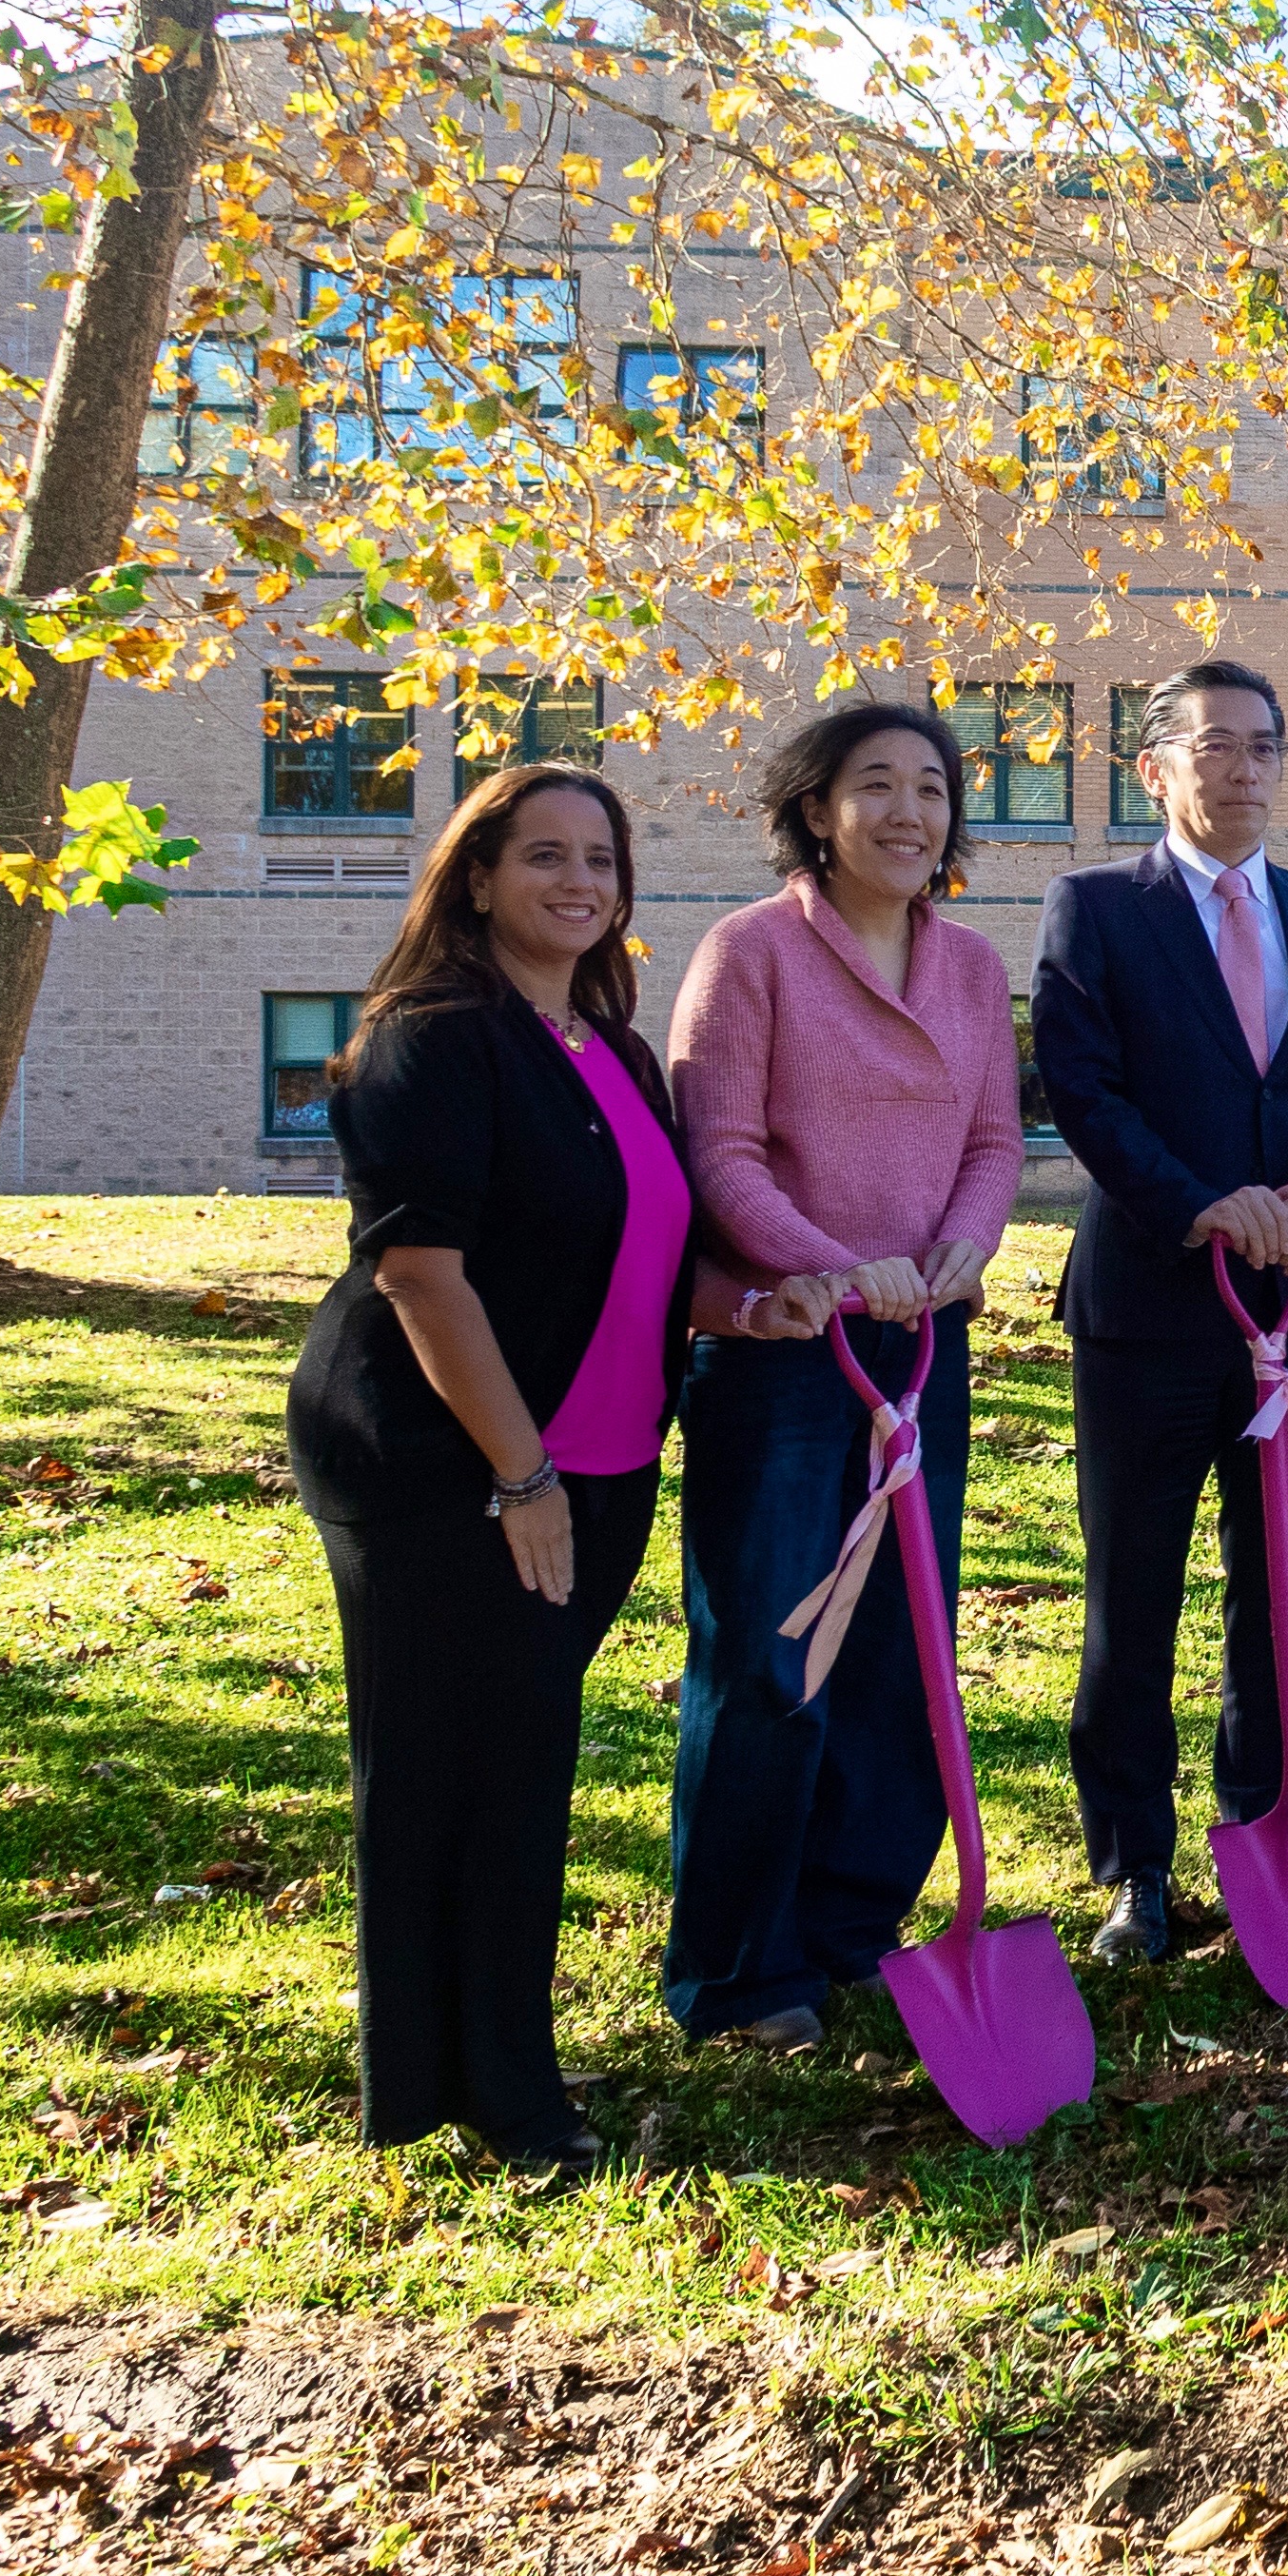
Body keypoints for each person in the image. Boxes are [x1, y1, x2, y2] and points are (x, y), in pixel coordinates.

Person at [286, 759, 814, 2175]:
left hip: (600, 1463)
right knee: (453, 1774)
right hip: (447, 1467)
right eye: (544, 856)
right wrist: (521, 1481)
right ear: (476, 878)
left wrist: (748, 1307)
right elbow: (421, 1275)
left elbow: (636, 1248)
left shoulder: (608, 1047)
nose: (580, 882)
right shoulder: (428, 1039)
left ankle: (495, 2055)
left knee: (519, 1765)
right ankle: (487, 2094)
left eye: (601, 860)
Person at [654, 698, 1028, 2050]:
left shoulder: (971, 967)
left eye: (931, 787)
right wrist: (837, 1268)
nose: (909, 812)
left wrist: (961, 1249)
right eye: (876, 784)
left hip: (922, 1338)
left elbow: (995, 1140)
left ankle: (851, 1929)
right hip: (787, 1339)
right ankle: (737, 1970)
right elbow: (721, 1154)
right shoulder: (750, 952)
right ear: (816, 810)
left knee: (898, 1650)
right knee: (771, 1653)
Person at [1031, 654, 1288, 1962]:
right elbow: (1081, 1086)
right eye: (1214, 745)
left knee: (1282, 1592)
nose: (1243, 769)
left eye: (1264, 746)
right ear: (1154, 768)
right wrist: (1203, 1206)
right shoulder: (1096, 909)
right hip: (1150, 1310)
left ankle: (1266, 1839)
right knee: (1133, 1597)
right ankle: (1135, 1866)